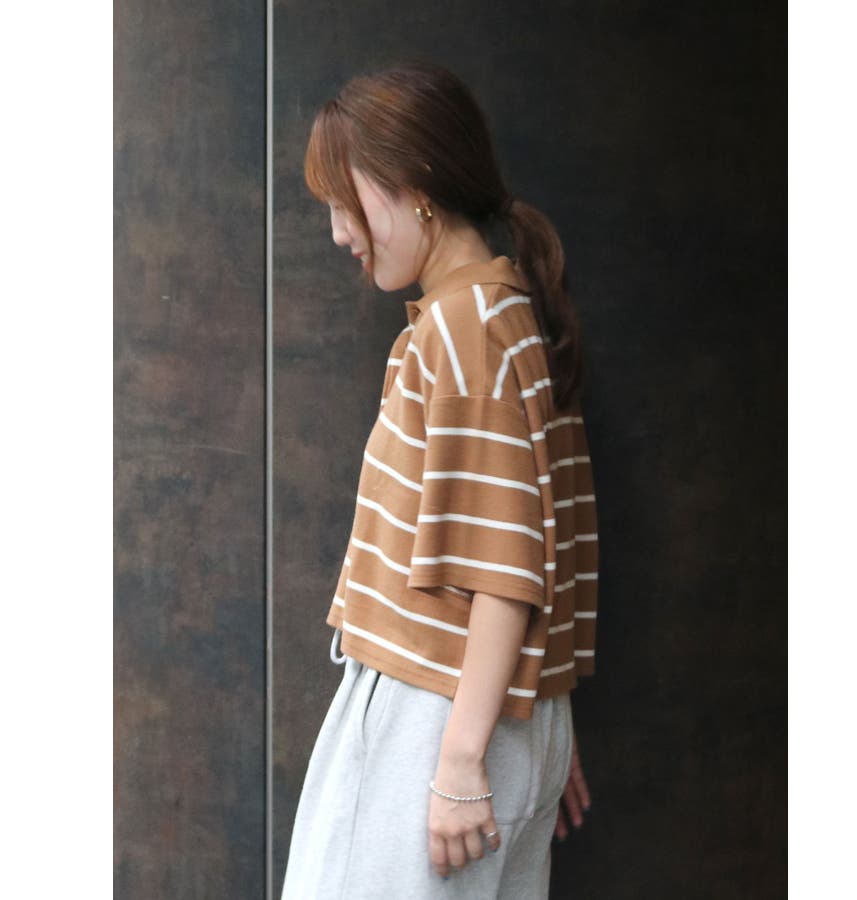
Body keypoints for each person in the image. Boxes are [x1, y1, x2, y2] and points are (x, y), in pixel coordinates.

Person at [281, 58, 598, 899]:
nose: (339, 232)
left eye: (345, 202)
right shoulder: (509, 312)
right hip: (497, 716)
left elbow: (506, 569)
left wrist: (460, 760)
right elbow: (543, 532)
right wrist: (534, 717)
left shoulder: (462, 328)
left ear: (414, 183)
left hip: (433, 716)